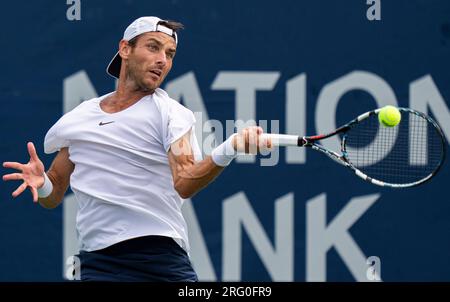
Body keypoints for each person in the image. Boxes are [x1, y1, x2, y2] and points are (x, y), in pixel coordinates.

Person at [2, 16, 271, 281]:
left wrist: (231, 147)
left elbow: (185, 181)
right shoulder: (80, 117)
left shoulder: (171, 114)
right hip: (97, 264)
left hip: (159, 261)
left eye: (170, 53)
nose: (162, 60)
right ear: (125, 49)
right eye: (153, 47)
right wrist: (43, 183)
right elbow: (55, 191)